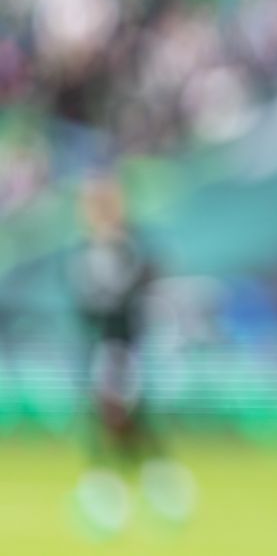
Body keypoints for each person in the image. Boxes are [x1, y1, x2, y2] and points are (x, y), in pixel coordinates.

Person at [68, 174, 194, 534]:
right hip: (101, 348)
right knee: (113, 422)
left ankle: (136, 490)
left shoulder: (129, 247)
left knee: (121, 421)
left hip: (125, 347)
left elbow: (130, 296)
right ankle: (130, 490)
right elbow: (86, 305)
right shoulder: (85, 250)